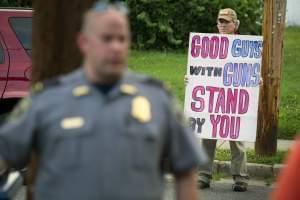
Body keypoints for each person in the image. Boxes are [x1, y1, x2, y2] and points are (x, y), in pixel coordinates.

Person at [0, 1, 206, 200]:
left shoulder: (159, 100)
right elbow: (5, 153)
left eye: (122, 39)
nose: (116, 47)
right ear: (84, 42)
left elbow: (185, 170)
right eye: (107, 39)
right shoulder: (46, 100)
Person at [185, 8, 249, 192]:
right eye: (220, 21)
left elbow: (249, 70)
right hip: (212, 97)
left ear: (235, 24)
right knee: (208, 134)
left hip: (234, 97)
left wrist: (255, 80)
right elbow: (200, 69)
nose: (222, 24)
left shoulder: (245, 46)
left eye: (226, 21)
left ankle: (241, 177)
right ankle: (203, 175)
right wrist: (191, 78)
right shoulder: (208, 45)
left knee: (236, 137)